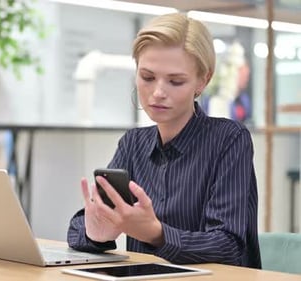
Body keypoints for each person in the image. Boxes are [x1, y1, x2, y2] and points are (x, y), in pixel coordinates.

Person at [67, 13, 261, 269]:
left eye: (175, 81)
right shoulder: (133, 143)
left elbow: (228, 246)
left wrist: (155, 233)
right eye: (147, 77)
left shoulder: (229, 139)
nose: (158, 93)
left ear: (203, 80)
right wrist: (96, 233)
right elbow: (79, 229)